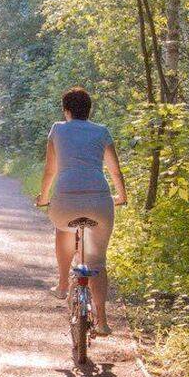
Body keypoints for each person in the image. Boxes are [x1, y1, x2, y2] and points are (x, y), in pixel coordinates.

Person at [35, 87, 128, 335]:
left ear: (66, 110)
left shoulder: (58, 130)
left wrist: (43, 198)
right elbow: (115, 170)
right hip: (100, 199)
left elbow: (49, 170)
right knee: (98, 261)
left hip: (66, 198)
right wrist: (122, 196)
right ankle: (103, 321)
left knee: (63, 228)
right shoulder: (102, 131)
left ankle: (64, 282)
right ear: (89, 111)